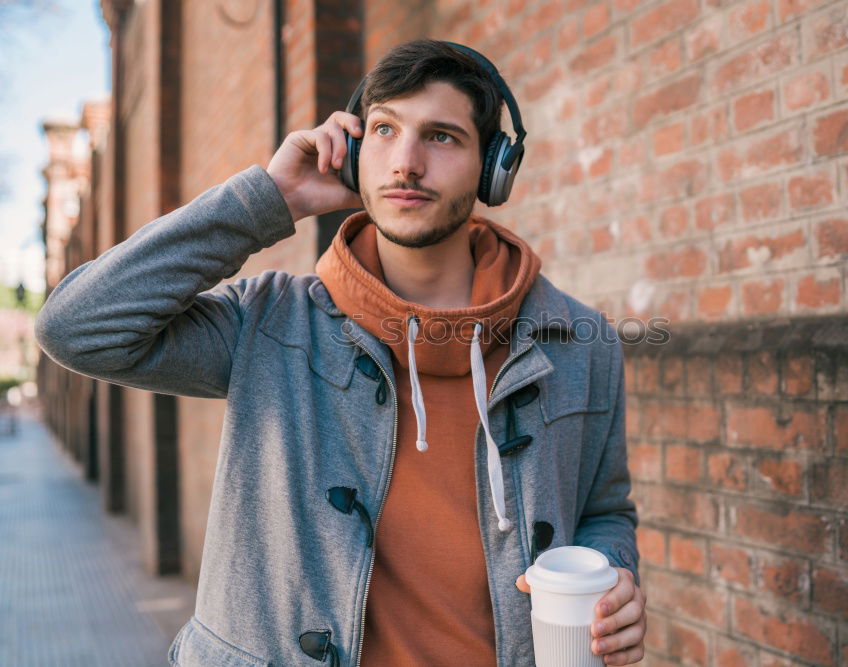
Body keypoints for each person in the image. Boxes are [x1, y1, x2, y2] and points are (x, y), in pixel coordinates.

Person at [35, 39, 645, 666]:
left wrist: (614, 578)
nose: (405, 163)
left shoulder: (580, 342)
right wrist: (272, 199)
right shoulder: (268, 323)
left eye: (441, 137)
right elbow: (77, 327)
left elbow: (604, 511)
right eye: (384, 130)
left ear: (494, 170)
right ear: (352, 153)